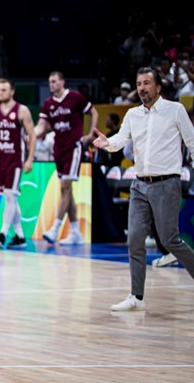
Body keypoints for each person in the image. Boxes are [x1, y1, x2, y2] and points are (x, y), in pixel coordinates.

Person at [92, 67, 194, 311]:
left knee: (170, 240)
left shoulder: (175, 110)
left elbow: (192, 142)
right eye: (139, 84)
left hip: (167, 183)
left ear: (158, 87)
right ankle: (136, 297)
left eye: (147, 83)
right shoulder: (132, 115)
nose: (142, 88)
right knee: (135, 239)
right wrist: (108, 144)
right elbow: (120, 140)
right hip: (139, 185)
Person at [35, 71, 99, 245]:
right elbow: (41, 127)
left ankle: (54, 228)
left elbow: (93, 112)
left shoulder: (75, 97)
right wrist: (31, 135)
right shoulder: (48, 104)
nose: (52, 84)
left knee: (65, 187)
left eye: (54, 81)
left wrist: (90, 133)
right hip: (58, 149)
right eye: (49, 82)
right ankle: (76, 232)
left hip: (74, 148)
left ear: (62, 81)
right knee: (67, 191)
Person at [0, 77, 37, 248]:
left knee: (9, 195)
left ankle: (2, 233)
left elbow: (32, 136)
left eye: (4, 89)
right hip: (0, 159)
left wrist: (30, 159)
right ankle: (20, 236)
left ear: (12, 91)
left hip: (15, 160)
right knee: (10, 197)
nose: (0, 92)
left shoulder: (22, 110)